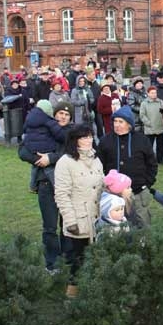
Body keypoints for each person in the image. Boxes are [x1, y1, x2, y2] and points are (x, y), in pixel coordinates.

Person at [21, 102, 73, 273]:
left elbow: (71, 153)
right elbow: (22, 151)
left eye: (67, 114)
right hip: (46, 184)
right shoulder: (42, 129)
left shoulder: (72, 133)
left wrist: (50, 158)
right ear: (53, 114)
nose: (63, 117)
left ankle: (68, 258)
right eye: (60, 113)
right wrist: (39, 159)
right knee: (50, 227)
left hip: (67, 185)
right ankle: (52, 263)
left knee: (67, 223)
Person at [54, 124, 104, 298]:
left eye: (90, 136)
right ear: (74, 140)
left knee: (97, 257)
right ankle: (72, 295)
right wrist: (70, 221)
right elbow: (62, 194)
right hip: (79, 220)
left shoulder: (96, 159)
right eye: (83, 137)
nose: (88, 140)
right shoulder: (65, 162)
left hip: (97, 219)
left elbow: (101, 185)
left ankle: (94, 292)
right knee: (79, 260)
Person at [97, 106, 158, 229]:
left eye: (121, 122)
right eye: (115, 121)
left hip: (138, 192)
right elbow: (99, 166)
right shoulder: (105, 141)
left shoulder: (142, 140)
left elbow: (152, 164)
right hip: (113, 195)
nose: (117, 125)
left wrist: (146, 184)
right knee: (116, 229)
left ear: (129, 124)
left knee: (142, 225)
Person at [96, 171, 132, 236]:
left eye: (122, 209)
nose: (131, 189)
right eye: (128, 187)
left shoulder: (126, 202)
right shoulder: (106, 229)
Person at [140, 86, 163, 164]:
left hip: (159, 126)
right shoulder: (144, 103)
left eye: (155, 93)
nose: (154, 94)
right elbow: (142, 115)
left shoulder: (160, 101)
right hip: (150, 128)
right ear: (148, 94)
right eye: (152, 93)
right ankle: (149, 160)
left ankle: (160, 160)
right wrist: (149, 123)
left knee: (160, 146)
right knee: (149, 146)